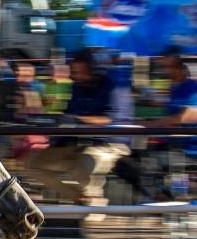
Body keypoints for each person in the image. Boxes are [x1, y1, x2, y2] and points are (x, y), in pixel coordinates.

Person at [16, 49, 131, 209]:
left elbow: (109, 120)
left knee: (84, 165)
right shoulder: (77, 87)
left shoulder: (114, 88)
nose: (77, 76)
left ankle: (94, 204)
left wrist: (77, 120)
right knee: (32, 163)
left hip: (107, 144)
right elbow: (69, 114)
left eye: (82, 72)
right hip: (75, 142)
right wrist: (54, 121)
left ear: (95, 70)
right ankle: (81, 198)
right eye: (75, 72)